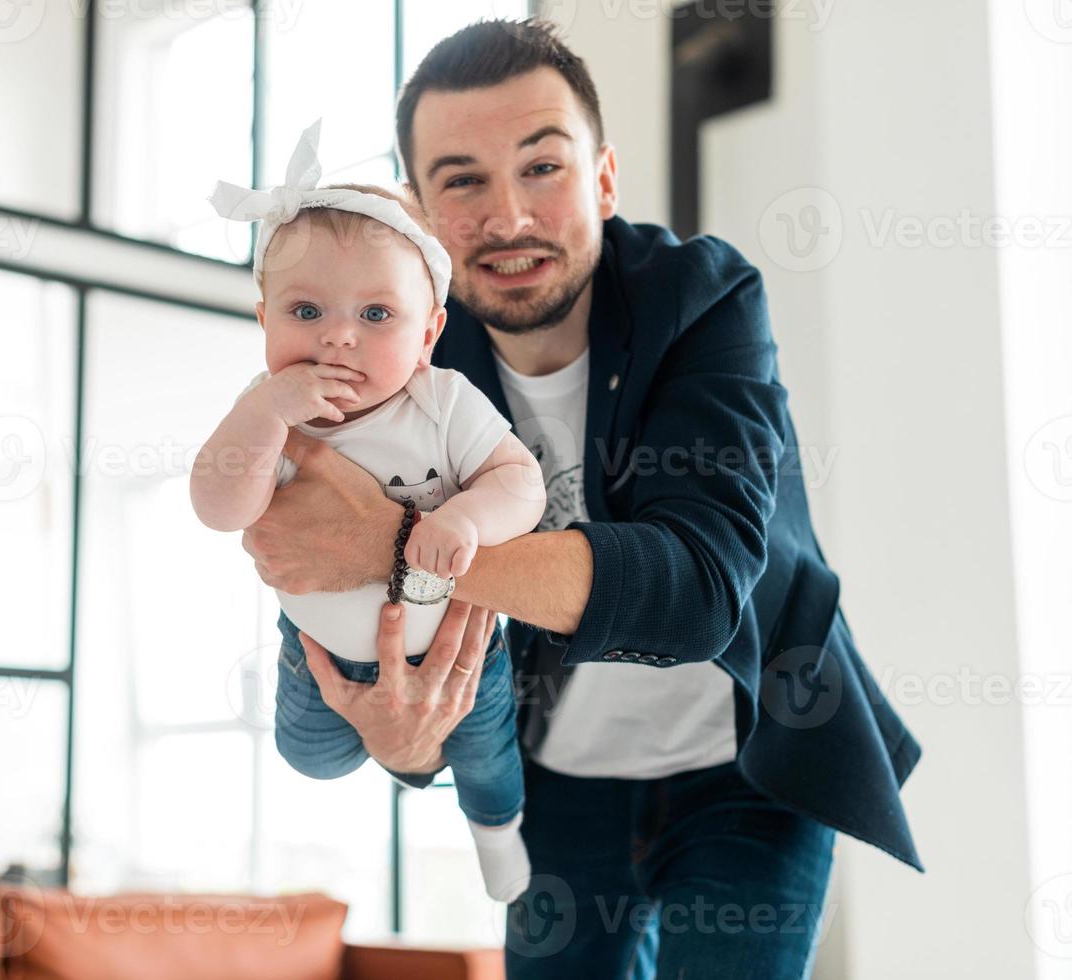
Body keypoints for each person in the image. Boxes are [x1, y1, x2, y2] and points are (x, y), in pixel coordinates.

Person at [240, 18, 923, 980]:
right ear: (422, 221)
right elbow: (350, 589)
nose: (509, 215)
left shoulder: (704, 298)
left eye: (543, 166)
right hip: (550, 774)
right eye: (462, 180)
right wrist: (403, 745)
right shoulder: (408, 360)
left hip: (748, 758)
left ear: (603, 178)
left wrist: (388, 542)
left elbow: (693, 592)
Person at [189, 121, 547, 902]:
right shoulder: (268, 417)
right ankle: (358, 760)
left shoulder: (443, 401)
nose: (337, 340)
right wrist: (265, 415)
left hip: (455, 648)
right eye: (305, 312)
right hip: (314, 647)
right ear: (263, 320)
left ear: (428, 335)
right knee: (309, 757)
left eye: (376, 317)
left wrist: (464, 520)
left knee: (488, 761)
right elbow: (218, 508)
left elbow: (522, 484)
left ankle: (496, 840)